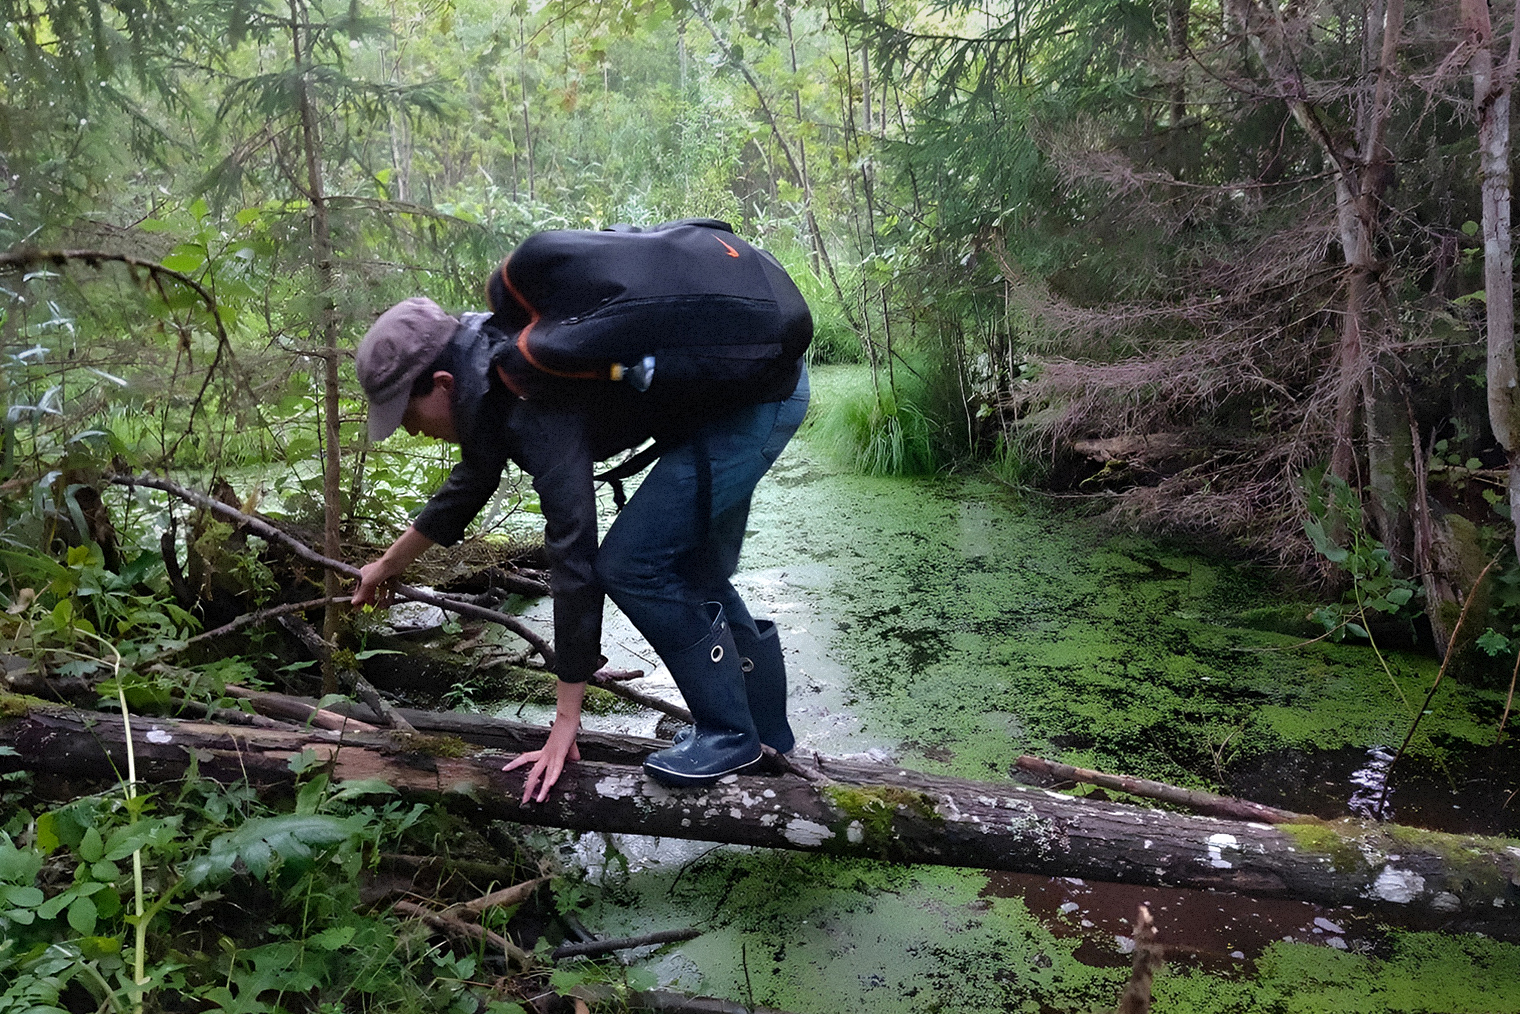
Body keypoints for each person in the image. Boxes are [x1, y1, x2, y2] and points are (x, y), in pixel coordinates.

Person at [351, 284, 809, 803]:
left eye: (406, 416)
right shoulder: (486, 374)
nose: (411, 433)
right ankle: (768, 740)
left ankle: (731, 735)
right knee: (692, 570)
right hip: (746, 392)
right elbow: (469, 484)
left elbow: (573, 552)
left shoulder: (529, 397)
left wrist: (566, 720)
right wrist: (387, 564)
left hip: (754, 402)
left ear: (441, 382)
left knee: (633, 565)